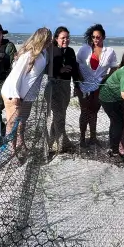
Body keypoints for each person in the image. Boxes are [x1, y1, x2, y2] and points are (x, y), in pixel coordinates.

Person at [1, 27, 52, 157]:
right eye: (48, 39)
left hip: (28, 95)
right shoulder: (28, 55)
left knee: (22, 122)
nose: (50, 41)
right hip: (14, 94)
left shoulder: (43, 53)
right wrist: (15, 96)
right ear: (41, 40)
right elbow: (15, 75)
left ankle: (20, 144)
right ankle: (11, 152)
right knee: (12, 124)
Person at [75, 24, 119, 146]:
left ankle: (93, 137)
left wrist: (107, 78)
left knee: (94, 111)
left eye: (98, 37)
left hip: (99, 86)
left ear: (103, 37)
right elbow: (77, 64)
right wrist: (79, 78)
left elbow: (114, 67)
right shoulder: (84, 49)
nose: (95, 39)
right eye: (93, 37)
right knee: (84, 111)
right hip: (83, 85)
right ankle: (82, 138)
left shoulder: (109, 51)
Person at [49, 26, 82, 154]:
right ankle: (62, 143)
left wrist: (77, 86)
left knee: (60, 114)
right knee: (59, 115)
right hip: (53, 86)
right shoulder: (50, 50)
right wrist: (59, 70)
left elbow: (74, 70)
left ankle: (50, 141)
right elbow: (44, 70)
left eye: (67, 37)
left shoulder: (71, 51)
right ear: (56, 38)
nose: (65, 40)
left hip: (66, 86)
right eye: (63, 38)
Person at [0, 23, 17, 137]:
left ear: (2, 34)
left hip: (3, 83)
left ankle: (0, 133)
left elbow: (14, 66)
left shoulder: (8, 46)